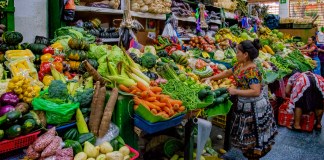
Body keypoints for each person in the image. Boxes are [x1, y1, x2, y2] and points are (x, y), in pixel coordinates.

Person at [202, 39, 277, 160]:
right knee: (246, 139)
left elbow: (256, 91)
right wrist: (210, 78)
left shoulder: (252, 70)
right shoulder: (239, 65)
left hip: (254, 108)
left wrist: (235, 91)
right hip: (244, 105)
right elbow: (227, 73)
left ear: (245, 54)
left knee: (254, 140)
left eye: (238, 52)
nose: (236, 54)